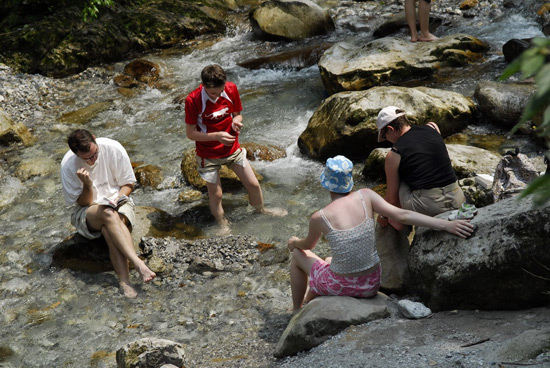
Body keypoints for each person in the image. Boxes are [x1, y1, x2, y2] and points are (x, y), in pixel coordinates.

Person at [287, 155, 474, 311]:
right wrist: (445, 224)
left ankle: (296, 311)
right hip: (371, 283)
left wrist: (295, 242)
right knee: (328, 260)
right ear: (349, 181)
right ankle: (307, 302)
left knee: (298, 256)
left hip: (344, 286)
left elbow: (307, 246)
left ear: (326, 184)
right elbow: (402, 215)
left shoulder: (320, 216)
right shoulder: (365, 196)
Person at [184, 64, 286, 233]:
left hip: (232, 149)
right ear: (203, 86)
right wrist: (217, 136)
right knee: (216, 194)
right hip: (207, 154)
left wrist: (236, 121)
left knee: (253, 184)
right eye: (212, 93)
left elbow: (237, 113)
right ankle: (222, 223)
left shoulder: (231, 89)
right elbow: (190, 133)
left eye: (220, 91)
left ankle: (261, 211)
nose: (217, 97)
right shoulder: (193, 100)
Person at [60, 129, 156, 298]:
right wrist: (87, 185)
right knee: (108, 215)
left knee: (108, 228)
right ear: (76, 155)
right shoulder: (68, 165)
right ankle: (137, 262)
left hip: (119, 201)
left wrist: (118, 199)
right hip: (88, 211)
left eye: (95, 153)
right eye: (87, 158)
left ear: (95, 140)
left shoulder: (113, 148)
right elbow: (82, 203)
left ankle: (124, 282)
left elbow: (128, 183)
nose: (93, 160)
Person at [376, 106, 466, 230]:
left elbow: (392, 201)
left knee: (398, 177)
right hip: (457, 198)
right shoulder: (433, 128)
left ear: (390, 129)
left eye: (385, 136)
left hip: (430, 206)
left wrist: (382, 216)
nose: (388, 140)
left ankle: (396, 223)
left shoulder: (395, 153)